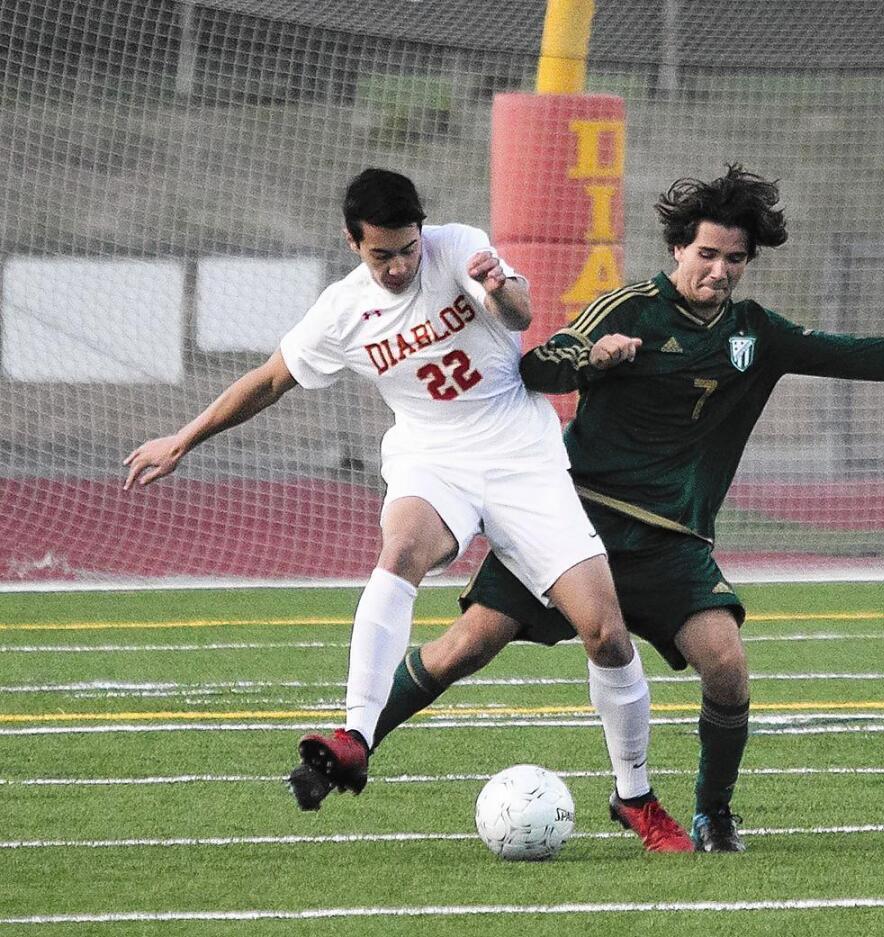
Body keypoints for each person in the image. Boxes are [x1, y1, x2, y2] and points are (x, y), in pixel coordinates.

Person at [300, 165, 884, 851]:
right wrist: (596, 359)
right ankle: (354, 743)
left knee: (727, 668)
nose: (719, 271)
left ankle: (712, 811)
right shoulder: (631, 308)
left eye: (734, 260)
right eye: (706, 255)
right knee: (465, 645)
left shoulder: (757, 335)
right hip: (575, 519)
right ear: (678, 250)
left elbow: (860, 354)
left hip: (669, 542)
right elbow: (537, 363)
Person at [123, 168, 693, 851]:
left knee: (605, 632)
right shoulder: (342, 312)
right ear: (353, 243)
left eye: (407, 250)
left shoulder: (458, 247)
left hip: (520, 454)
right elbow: (270, 379)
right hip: (433, 456)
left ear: (423, 232)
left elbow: (520, 315)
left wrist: (495, 286)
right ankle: (356, 733)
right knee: (399, 551)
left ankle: (635, 796)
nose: (397, 266)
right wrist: (183, 439)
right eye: (380, 255)